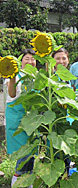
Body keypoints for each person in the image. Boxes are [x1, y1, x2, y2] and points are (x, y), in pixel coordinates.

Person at [5, 49, 37, 187]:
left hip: (33, 118)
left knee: (31, 152)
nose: (30, 61)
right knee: (24, 152)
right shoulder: (14, 75)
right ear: (21, 61)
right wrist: (12, 76)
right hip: (17, 117)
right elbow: (12, 94)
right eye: (27, 58)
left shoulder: (37, 76)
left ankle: (26, 181)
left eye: (33, 59)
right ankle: (18, 181)